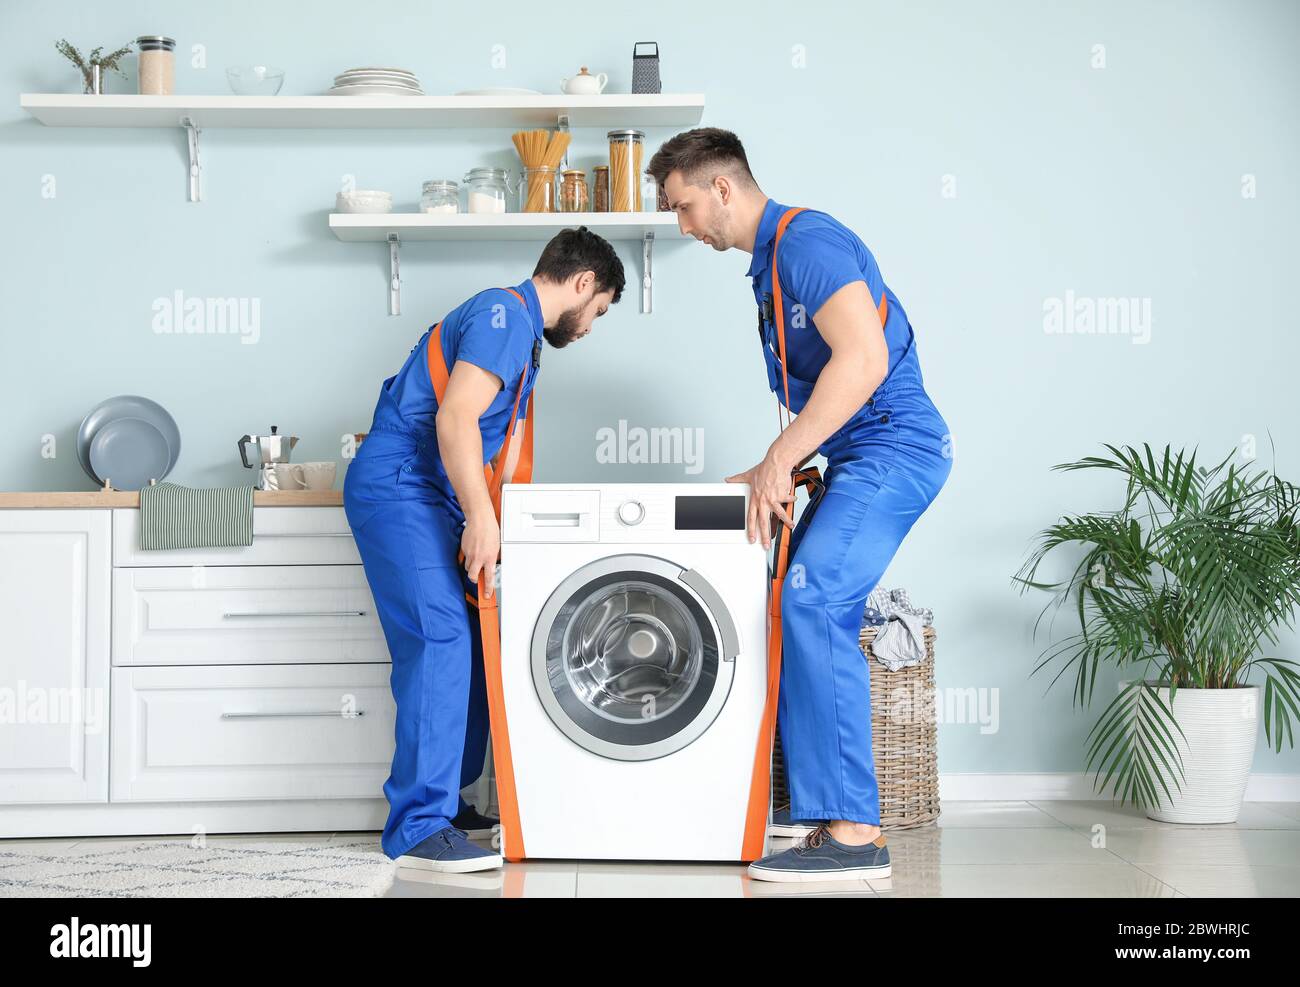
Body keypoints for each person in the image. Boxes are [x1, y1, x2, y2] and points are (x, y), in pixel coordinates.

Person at [648, 128, 953, 882]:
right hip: (859, 453)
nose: (683, 227)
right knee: (792, 595)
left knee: (815, 601)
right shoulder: (769, 272)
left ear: (722, 187)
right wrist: (762, 471)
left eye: (682, 207)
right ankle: (824, 818)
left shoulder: (805, 243)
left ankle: (855, 833)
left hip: (897, 449)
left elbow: (864, 361)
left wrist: (783, 459)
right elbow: (828, 401)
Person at [343, 227, 625, 873]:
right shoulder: (504, 315)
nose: (590, 326)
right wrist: (480, 515)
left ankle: (450, 804)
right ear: (582, 283)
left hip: (429, 490)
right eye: (600, 309)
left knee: (471, 638)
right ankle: (418, 824)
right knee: (439, 638)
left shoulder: (517, 332)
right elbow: (454, 418)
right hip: (401, 484)